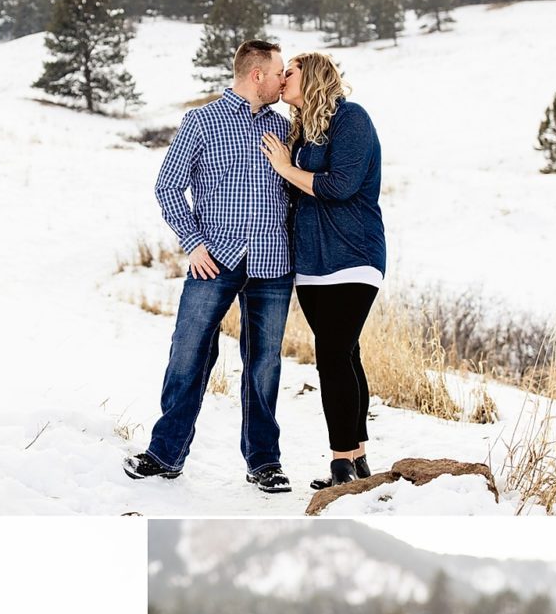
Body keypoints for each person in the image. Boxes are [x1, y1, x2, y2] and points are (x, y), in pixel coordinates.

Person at [123, 39, 294, 494]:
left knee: (264, 365)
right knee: (188, 352)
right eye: (279, 72)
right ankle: (165, 454)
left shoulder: (283, 129)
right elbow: (168, 187)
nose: (283, 80)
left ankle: (264, 463)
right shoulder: (201, 121)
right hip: (213, 260)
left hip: (273, 262)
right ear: (257, 75)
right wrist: (193, 242)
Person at [259, 51, 385, 488]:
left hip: (354, 256)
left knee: (331, 354)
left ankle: (339, 464)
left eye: (287, 72)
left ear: (309, 76)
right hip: (310, 264)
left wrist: (284, 167)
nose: (281, 79)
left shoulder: (351, 119)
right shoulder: (299, 130)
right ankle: (360, 456)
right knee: (346, 353)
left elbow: (340, 186)